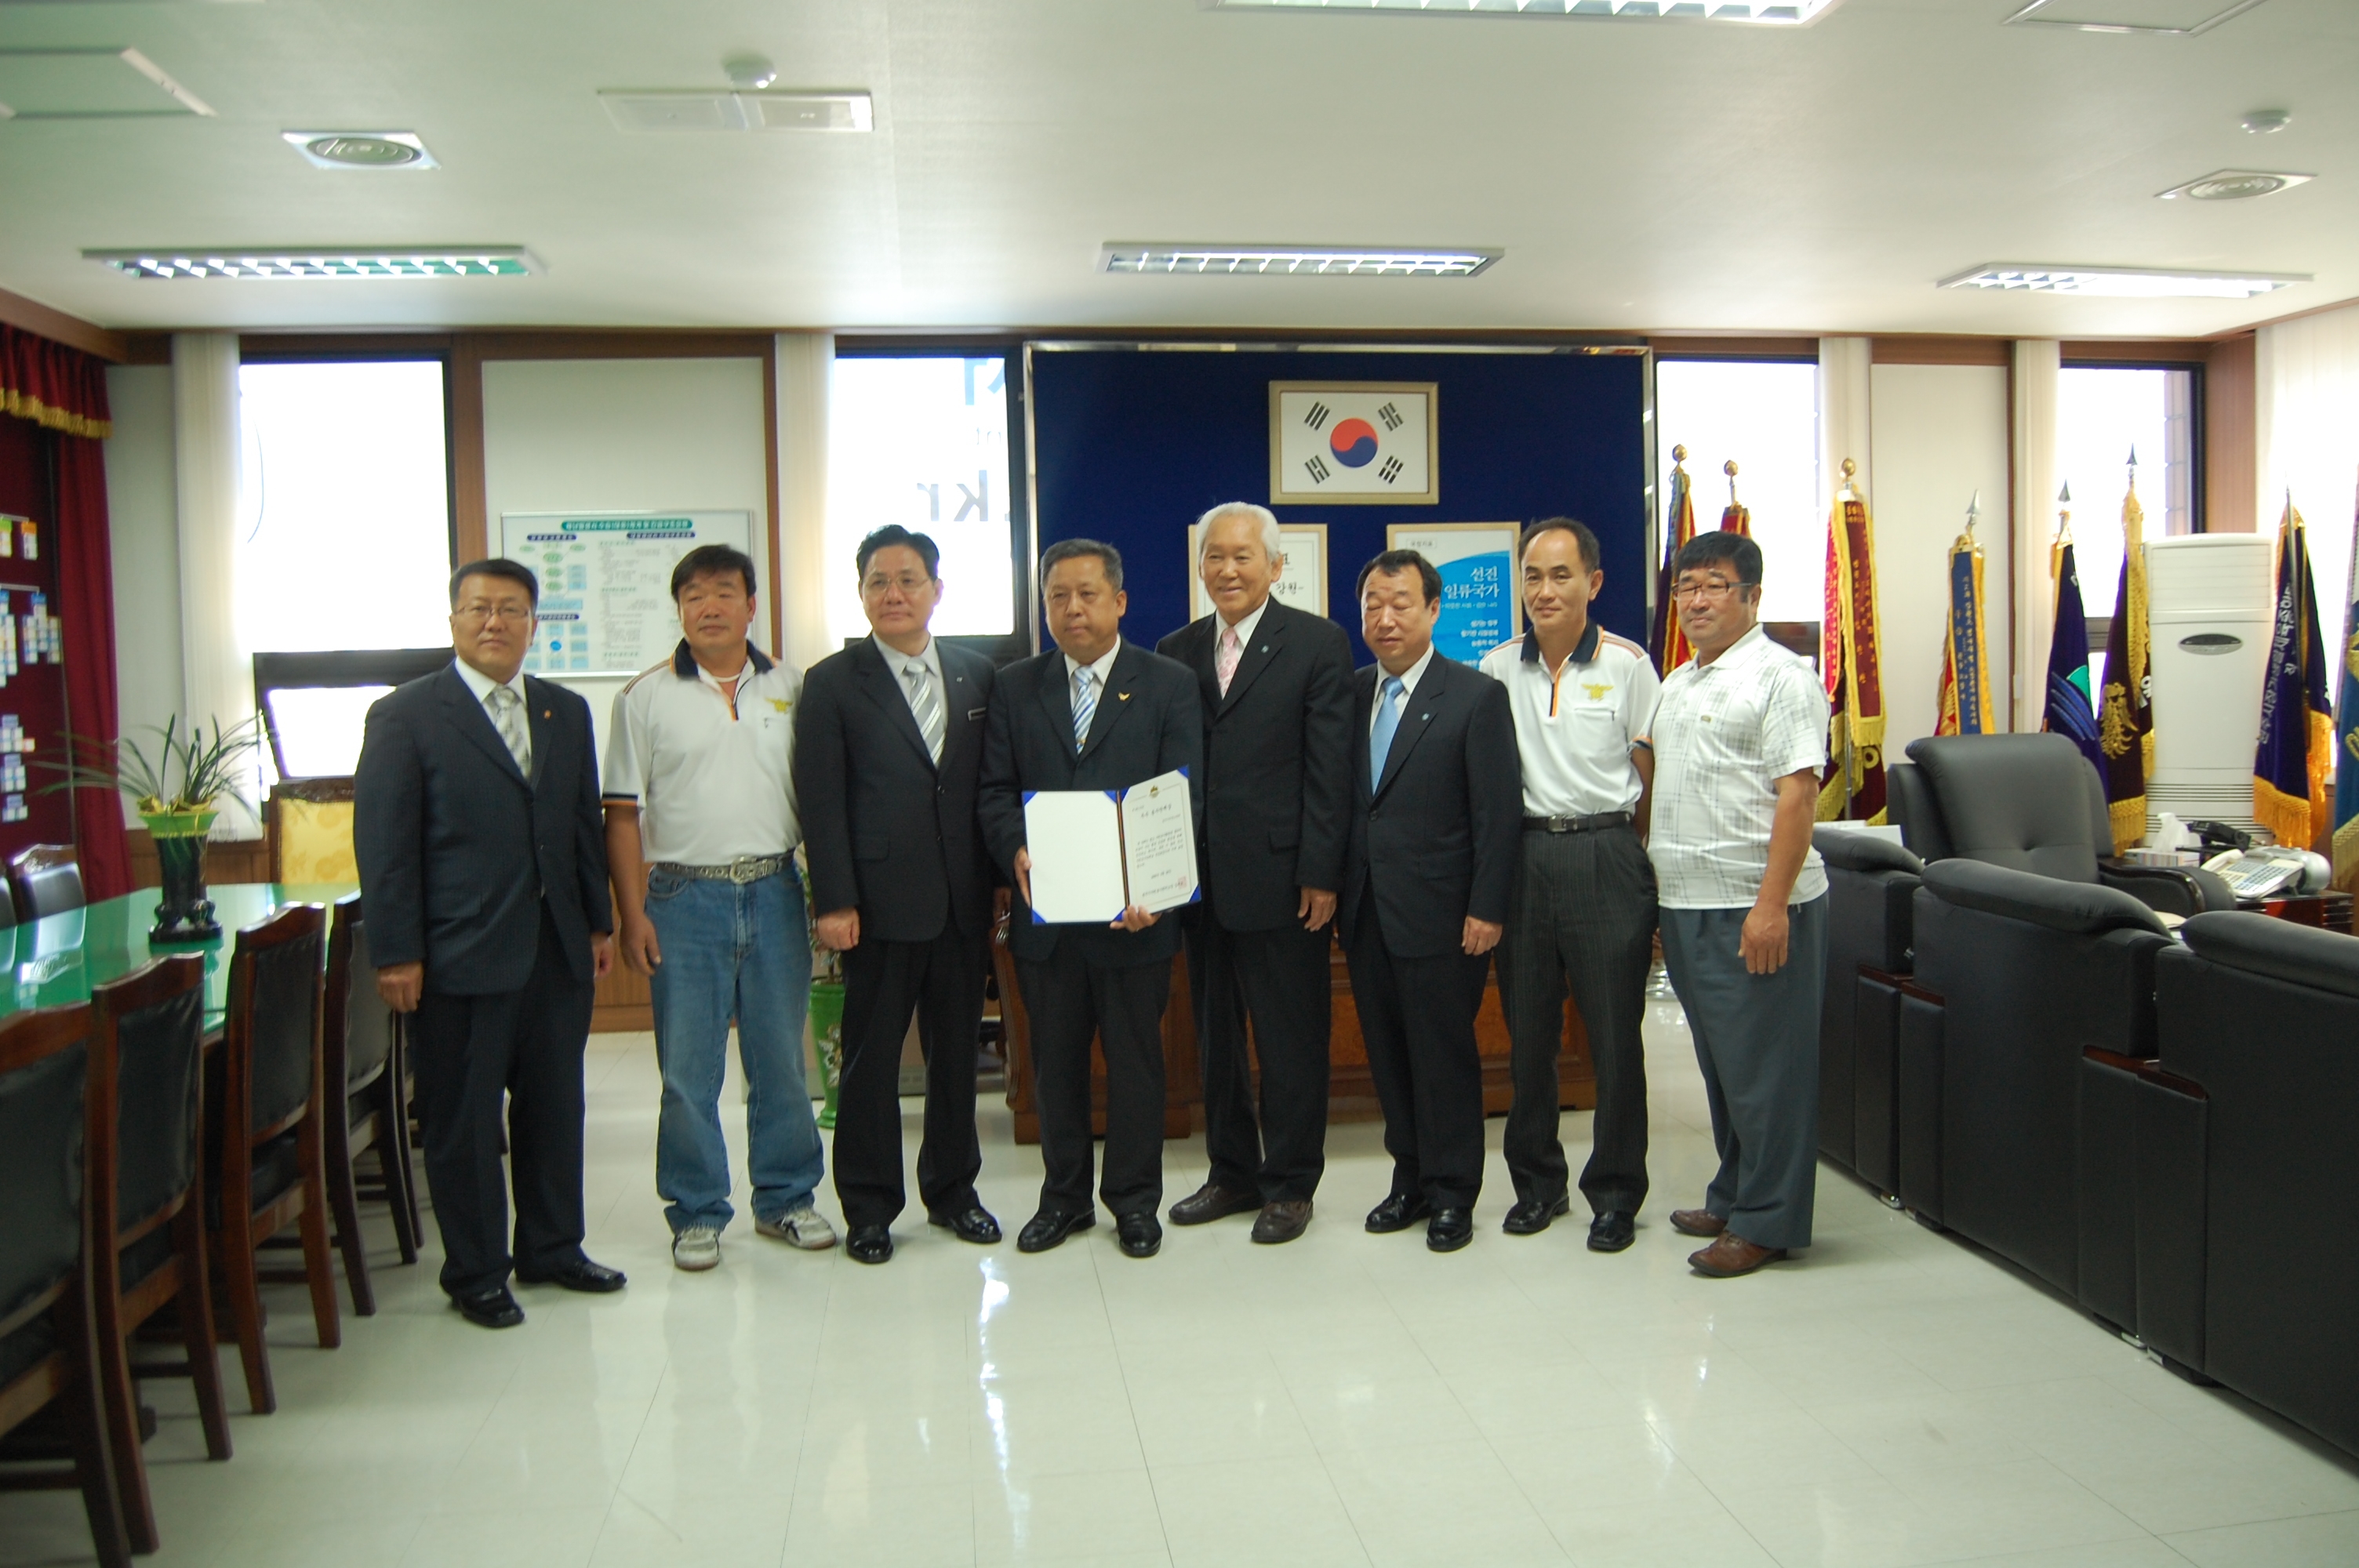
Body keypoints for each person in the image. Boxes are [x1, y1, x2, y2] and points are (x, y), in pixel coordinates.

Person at [354, 559, 624, 1330]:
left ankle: (552, 1247)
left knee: (553, 1109)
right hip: (456, 955)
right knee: (465, 1122)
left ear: (534, 623)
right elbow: (385, 846)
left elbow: (581, 824)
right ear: (454, 621)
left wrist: (596, 921)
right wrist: (395, 952)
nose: (494, 622)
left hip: (556, 951)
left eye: (511, 609)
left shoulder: (564, 710)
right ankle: (475, 1271)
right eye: (478, 608)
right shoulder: (405, 715)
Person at [602, 543, 834, 1272]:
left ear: (751, 605)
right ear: (679, 609)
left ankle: (787, 1198)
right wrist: (632, 914)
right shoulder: (643, 697)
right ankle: (697, 1211)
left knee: (781, 1063)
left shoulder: (793, 686)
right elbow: (620, 816)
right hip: (682, 897)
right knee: (687, 1071)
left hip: (775, 889)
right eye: (694, 595)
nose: (709, 607)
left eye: (724, 592)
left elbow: (820, 798)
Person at [978, 539, 1202, 1260]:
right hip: (1048, 921)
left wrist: (1155, 890)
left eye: (1087, 594)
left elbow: (1182, 795)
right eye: (1057, 597)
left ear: (1120, 602)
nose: (1071, 609)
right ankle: (1064, 1200)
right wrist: (1015, 848)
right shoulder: (1015, 686)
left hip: (1135, 921)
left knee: (1137, 1067)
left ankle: (1134, 1203)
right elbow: (994, 791)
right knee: (1056, 1068)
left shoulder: (1167, 683)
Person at [794, 525, 1001, 1265]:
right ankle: (870, 1207)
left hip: (962, 903)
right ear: (861, 594)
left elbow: (988, 788)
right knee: (871, 1063)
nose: (893, 594)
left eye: (908, 579)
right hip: (876, 907)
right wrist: (834, 902)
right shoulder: (831, 682)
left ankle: (954, 1192)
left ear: (936, 590)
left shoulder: (979, 675)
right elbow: (821, 800)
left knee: (956, 1060)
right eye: (877, 581)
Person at [1156, 503, 1354, 1245]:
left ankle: (1292, 1185)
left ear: (1275, 566)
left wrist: (1321, 872)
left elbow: (1330, 768)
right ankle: (1232, 1173)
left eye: (1244, 557)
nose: (1228, 569)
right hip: (1198, 881)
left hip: (1284, 880)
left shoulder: (1317, 643)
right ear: (1200, 566)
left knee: (1290, 1038)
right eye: (1215, 556)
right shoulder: (1175, 650)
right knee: (1216, 1039)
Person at [1641, 529, 1829, 1278]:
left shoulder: (1782, 679)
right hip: (1688, 904)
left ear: (1752, 595)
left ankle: (1769, 1221)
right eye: (1686, 587)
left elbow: (1799, 795)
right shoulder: (1678, 683)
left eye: (1713, 585)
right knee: (1726, 1068)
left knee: (1768, 1073)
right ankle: (1735, 1193)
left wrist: (1771, 906)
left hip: (1755, 905)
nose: (1696, 601)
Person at [1482, 518, 1661, 1251]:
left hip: (1605, 852)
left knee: (1615, 1039)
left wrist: (1626, 854)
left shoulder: (1629, 664)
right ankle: (1537, 1185)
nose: (1544, 590)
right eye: (1532, 575)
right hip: (1524, 858)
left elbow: (1650, 776)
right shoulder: (1496, 667)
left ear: (1594, 582)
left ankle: (1615, 1194)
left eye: (1561, 575)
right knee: (1529, 1038)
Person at [1338, 550, 1521, 1253]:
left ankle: (1452, 1193)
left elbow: (1496, 813)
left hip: (1445, 916)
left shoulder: (1474, 696)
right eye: (1372, 605)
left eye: (1401, 604)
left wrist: (1487, 907)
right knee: (1388, 1056)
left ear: (1434, 609)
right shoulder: (1351, 693)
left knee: (1442, 1058)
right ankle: (1408, 1180)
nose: (1385, 619)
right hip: (1366, 911)